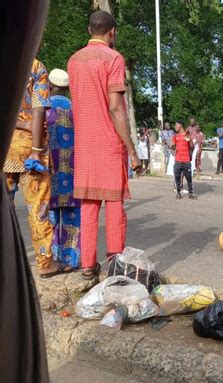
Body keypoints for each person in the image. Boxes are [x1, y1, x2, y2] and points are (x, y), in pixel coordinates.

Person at [68, 10, 141, 279]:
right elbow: (116, 108)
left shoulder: (74, 60)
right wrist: (132, 149)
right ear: (112, 32)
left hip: (84, 144)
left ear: (90, 30)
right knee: (113, 204)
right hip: (108, 142)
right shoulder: (114, 58)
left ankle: (88, 265)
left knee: (88, 206)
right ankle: (115, 264)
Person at [3, 59, 66, 278]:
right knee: (38, 208)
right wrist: (37, 150)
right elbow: (38, 112)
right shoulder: (34, 66)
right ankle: (45, 263)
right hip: (29, 147)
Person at [46, 68, 81, 270]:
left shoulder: (44, 108)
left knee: (49, 217)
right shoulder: (75, 108)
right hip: (72, 172)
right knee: (71, 220)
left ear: (50, 86)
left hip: (50, 172)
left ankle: (51, 259)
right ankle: (70, 261)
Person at [172, 120, 197, 200]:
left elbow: (192, 146)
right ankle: (178, 193)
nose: (175, 127)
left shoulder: (186, 135)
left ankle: (190, 193)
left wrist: (189, 139)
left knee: (189, 178)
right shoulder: (175, 136)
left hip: (186, 160)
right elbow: (174, 147)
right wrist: (172, 146)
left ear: (181, 126)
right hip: (178, 160)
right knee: (177, 177)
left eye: (176, 125)